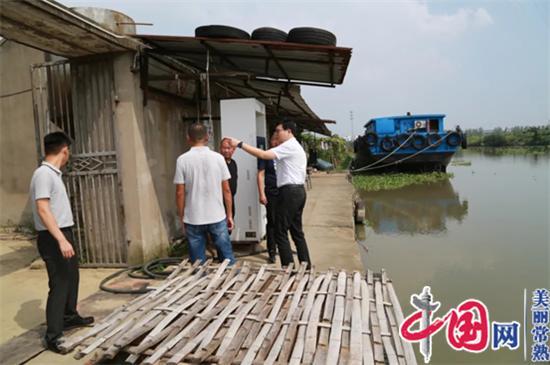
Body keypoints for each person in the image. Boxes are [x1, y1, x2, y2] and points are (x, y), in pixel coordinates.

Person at [29, 132, 94, 353]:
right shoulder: (43, 175)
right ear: (65, 150)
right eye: (69, 151)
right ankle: (53, 336)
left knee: (71, 277)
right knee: (59, 284)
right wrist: (61, 240)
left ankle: (69, 316)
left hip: (63, 232)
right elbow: (43, 209)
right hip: (53, 236)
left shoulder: (53, 174)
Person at [226, 120, 311, 268]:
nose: (276, 134)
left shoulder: (289, 145)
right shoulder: (294, 146)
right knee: (296, 231)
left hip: (290, 192)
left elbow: (263, 154)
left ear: (288, 131)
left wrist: (240, 144)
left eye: (278, 131)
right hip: (297, 191)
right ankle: (306, 266)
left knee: (280, 231)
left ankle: (288, 268)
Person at [174, 123, 236, 265]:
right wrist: (229, 215)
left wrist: (182, 216)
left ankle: (199, 283)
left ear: (188, 138)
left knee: (197, 262)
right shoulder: (218, 158)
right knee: (227, 258)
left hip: (193, 218)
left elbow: (179, 193)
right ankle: (230, 281)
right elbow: (226, 190)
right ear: (207, 137)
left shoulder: (182, 160)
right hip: (217, 216)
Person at [257, 133, 280, 263]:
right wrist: (262, 193)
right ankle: (272, 251)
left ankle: (281, 247)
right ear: (270, 141)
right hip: (271, 192)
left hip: (284, 192)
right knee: (272, 222)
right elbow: (260, 175)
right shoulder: (266, 155)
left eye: (278, 140)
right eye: (274, 140)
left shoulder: (284, 153)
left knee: (282, 222)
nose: (276, 142)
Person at [220, 138, 238, 222]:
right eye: (224, 148)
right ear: (220, 148)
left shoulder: (233, 163)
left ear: (233, 149)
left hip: (231, 199)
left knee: (229, 225)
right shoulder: (218, 162)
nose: (226, 151)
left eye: (229, 148)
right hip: (219, 201)